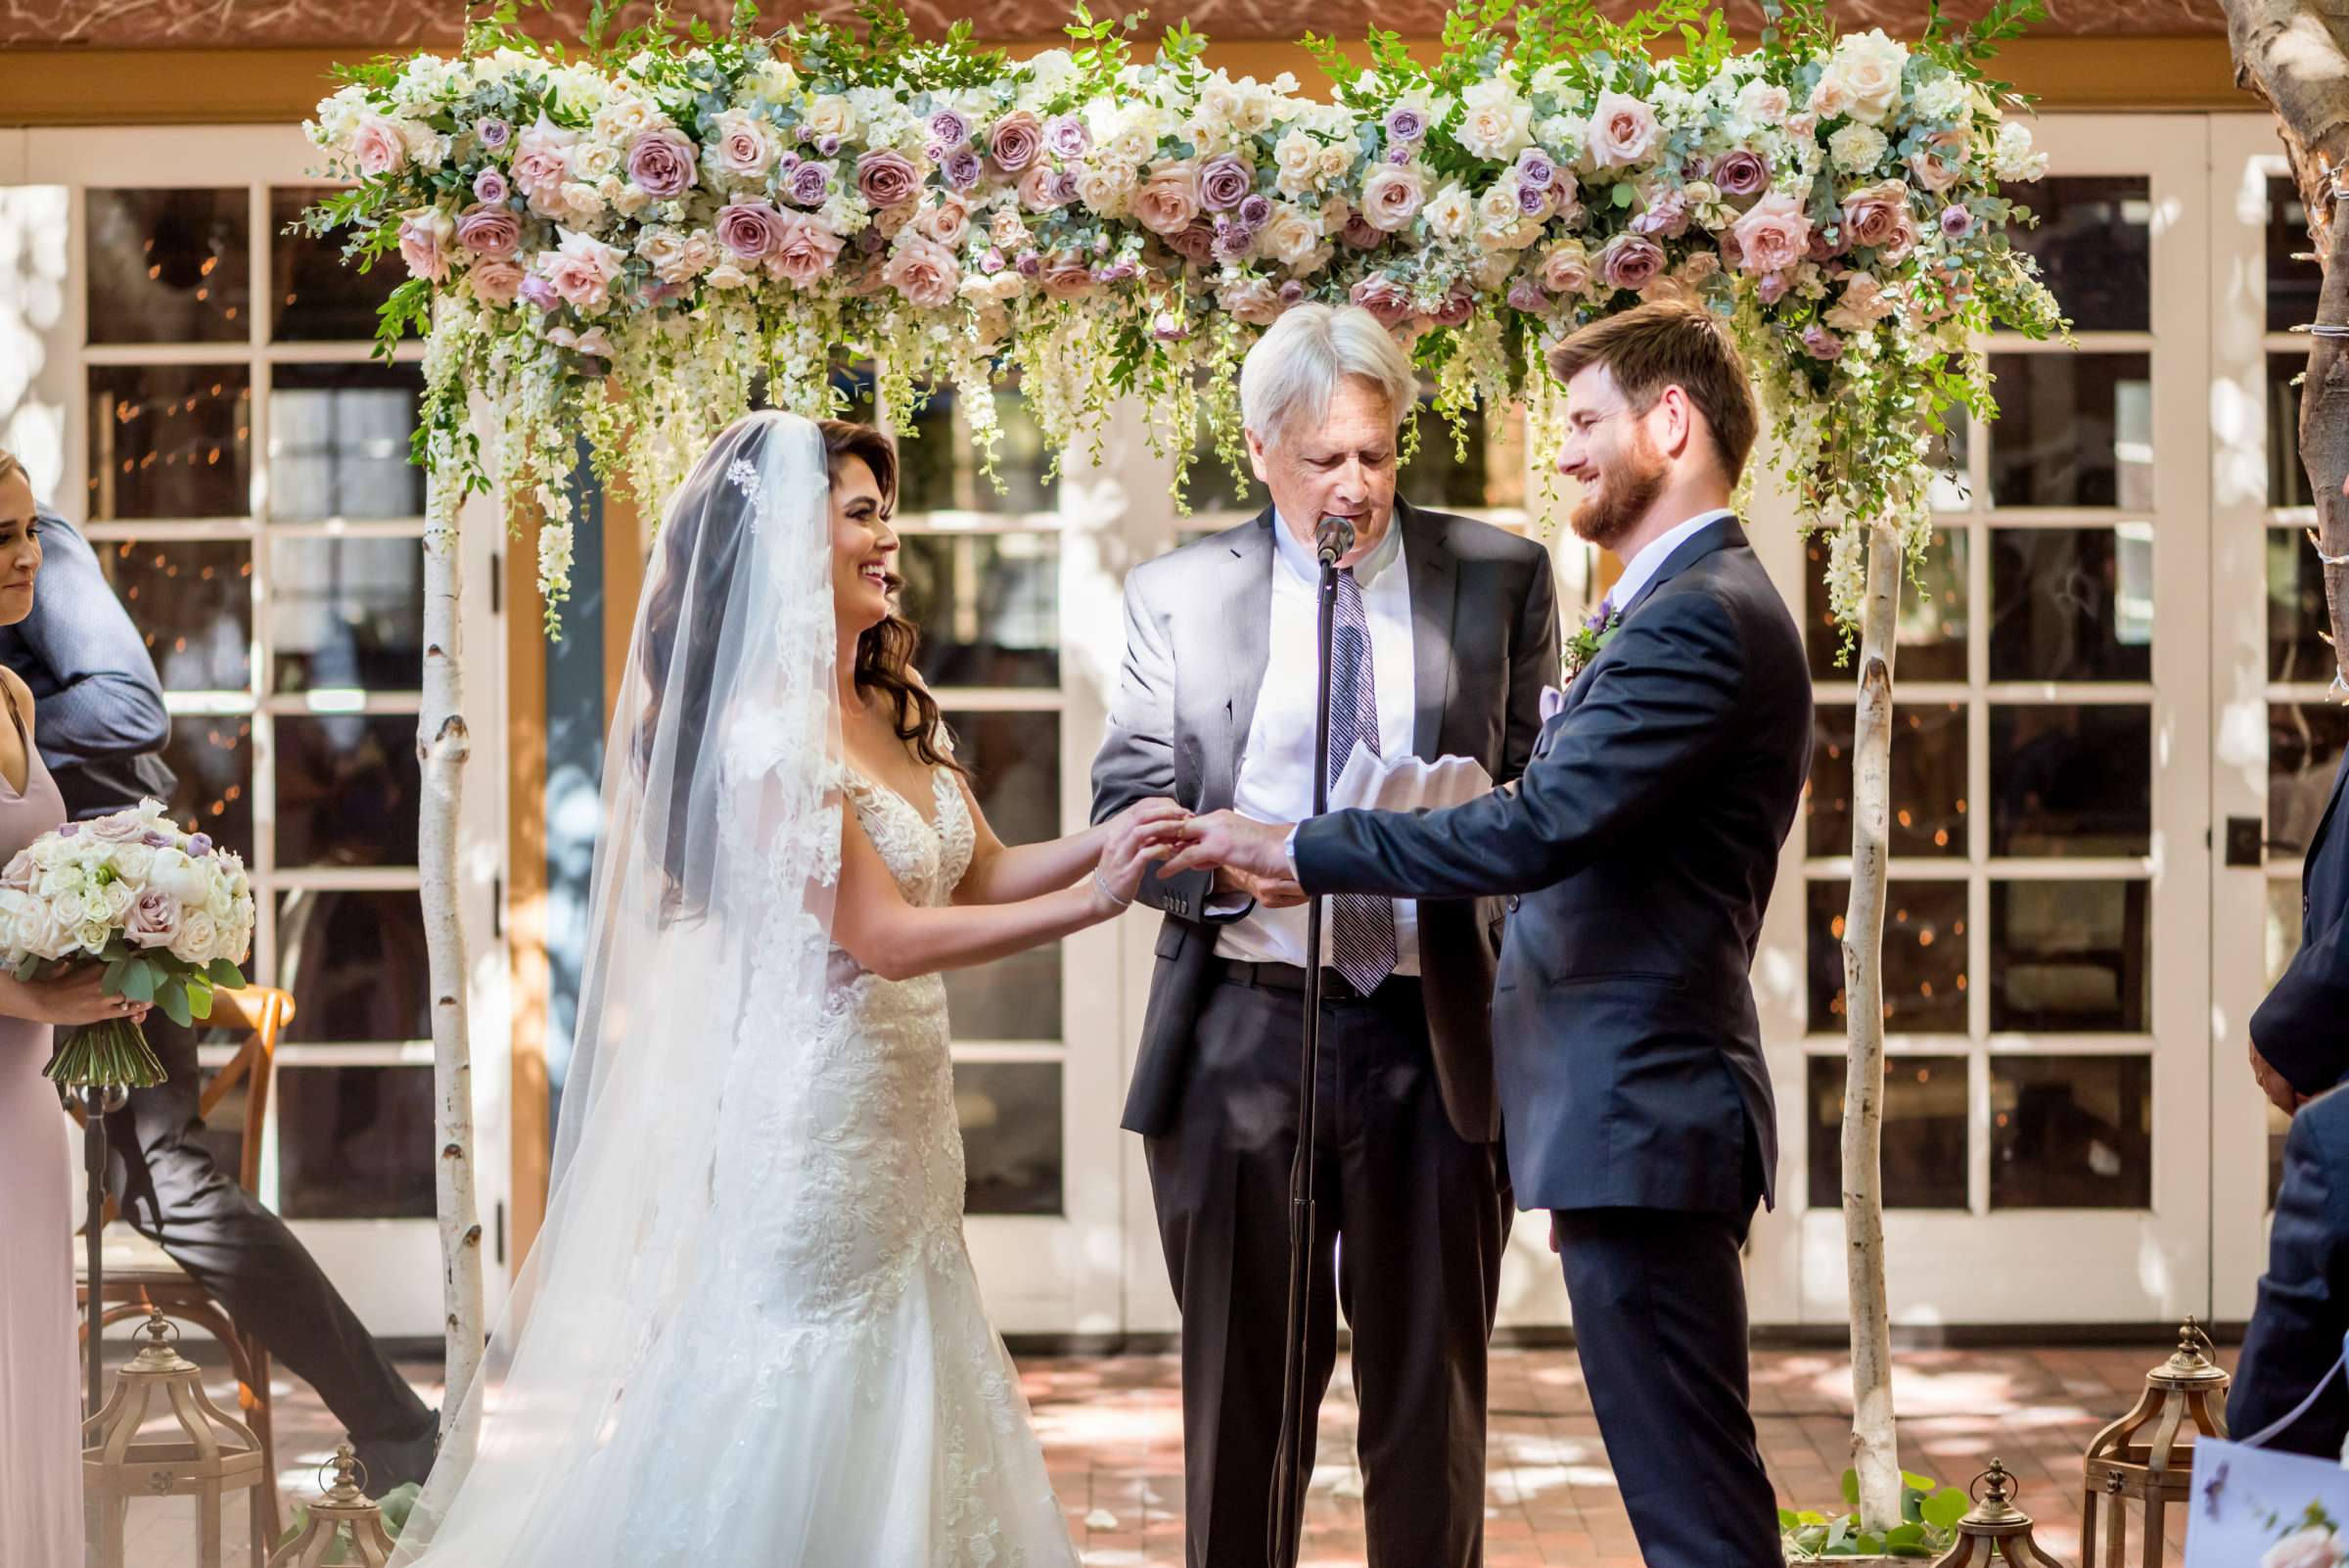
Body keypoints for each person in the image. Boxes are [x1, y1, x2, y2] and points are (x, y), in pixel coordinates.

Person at [390, 412, 1184, 1565]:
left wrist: (1123, 842)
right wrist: (1098, 901)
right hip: (817, 1134)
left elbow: (985, 866)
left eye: (885, 512)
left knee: (922, 1355)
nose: (888, 538)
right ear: (783, 552)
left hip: (907, 1132)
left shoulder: (893, 701)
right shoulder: (765, 740)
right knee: (804, 1385)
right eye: (861, 515)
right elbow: (884, 939)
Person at [1168, 300, 1810, 1568]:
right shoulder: (1680, 604)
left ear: (1668, 422)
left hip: (1644, 1112)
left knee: (1695, 1512)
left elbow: (1537, 826)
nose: (1562, 451)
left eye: (1582, 421)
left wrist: (1304, 844)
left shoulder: (1700, 615)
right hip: (1613, 1120)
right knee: (1691, 1494)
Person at [1089, 302, 1559, 1568]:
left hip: (1435, 1034)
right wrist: (1245, 864)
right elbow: (1123, 808)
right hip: (1243, 1036)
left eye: (1377, 451)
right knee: (1243, 1420)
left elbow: (1548, 811)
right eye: (1323, 459)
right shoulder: (1180, 596)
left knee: (1429, 1416)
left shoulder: (1502, 578)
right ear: (1258, 449)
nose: (1356, 484)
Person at [0, 470, 440, 1487]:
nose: (21, 550)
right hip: (26, 942)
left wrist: (18, 751)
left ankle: (395, 1428)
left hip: (108, 912)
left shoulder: (42, 545)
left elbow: (127, 711)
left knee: (168, 1188)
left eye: (20, 535)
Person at [0, 448, 156, 1568]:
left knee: (29, 1356)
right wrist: (22, 990)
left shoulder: (14, 692)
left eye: (23, 535)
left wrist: (115, 965)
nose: (22, 561)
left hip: (23, 1097)